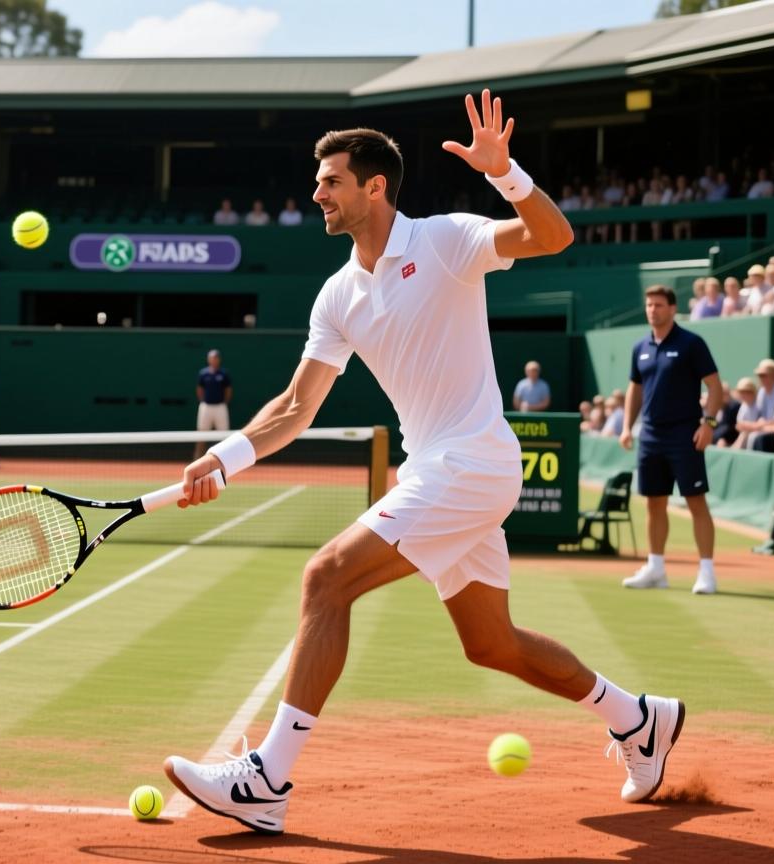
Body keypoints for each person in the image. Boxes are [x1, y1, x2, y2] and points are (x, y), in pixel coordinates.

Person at [163, 90, 684, 835]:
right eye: (318, 181)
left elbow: (553, 237)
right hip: (436, 470)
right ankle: (639, 719)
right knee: (491, 644)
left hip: (472, 460)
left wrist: (507, 177)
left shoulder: (445, 239)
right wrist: (223, 455)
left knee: (326, 577)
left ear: (375, 187)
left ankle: (268, 778)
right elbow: (294, 407)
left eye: (332, 180)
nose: (317, 193)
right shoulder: (338, 293)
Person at [619, 285, 723, 595]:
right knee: (654, 503)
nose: (653, 310)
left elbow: (715, 387)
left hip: (685, 434)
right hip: (650, 435)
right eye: (649, 305)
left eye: (659, 305)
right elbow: (634, 389)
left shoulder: (692, 344)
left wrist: (709, 423)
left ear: (672, 308)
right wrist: (627, 426)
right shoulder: (640, 347)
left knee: (695, 502)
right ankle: (656, 568)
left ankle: (706, 572)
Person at [193, 349, 232, 459]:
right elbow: (199, 389)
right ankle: (197, 460)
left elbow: (228, 390)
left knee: (224, 437)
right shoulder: (203, 373)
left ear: (219, 360)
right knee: (201, 436)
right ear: (208, 359)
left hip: (220, 407)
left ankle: (226, 459)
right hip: (206, 407)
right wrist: (203, 401)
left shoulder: (224, 374)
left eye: (216, 357)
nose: (214, 360)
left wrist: (224, 402)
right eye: (212, 358)